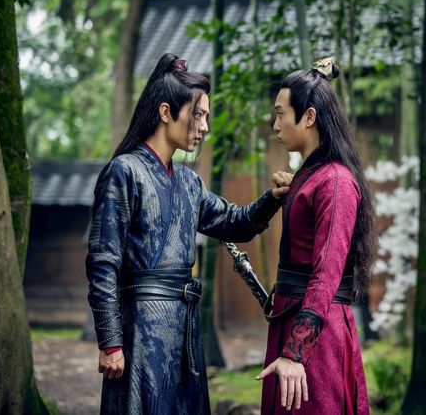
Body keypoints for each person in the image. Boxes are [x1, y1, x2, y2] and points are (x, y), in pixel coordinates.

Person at [86, 53, 290, 414]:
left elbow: (235, 223)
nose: (205, 126)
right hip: (140, 329)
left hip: (184, 329)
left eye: (206, 116)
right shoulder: (124, 171)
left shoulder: (189, 182)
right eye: (198, 114)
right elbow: (103, 262)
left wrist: (272, 199)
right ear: (166, 112)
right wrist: (111, 340)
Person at [257, 57, 377, 414]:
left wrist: (297, 351)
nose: (275, 124)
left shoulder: (336, 181)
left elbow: (327, 272)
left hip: (316, 338)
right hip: (292, 318)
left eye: (281, 114)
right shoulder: (313, 176)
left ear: (308, 117)